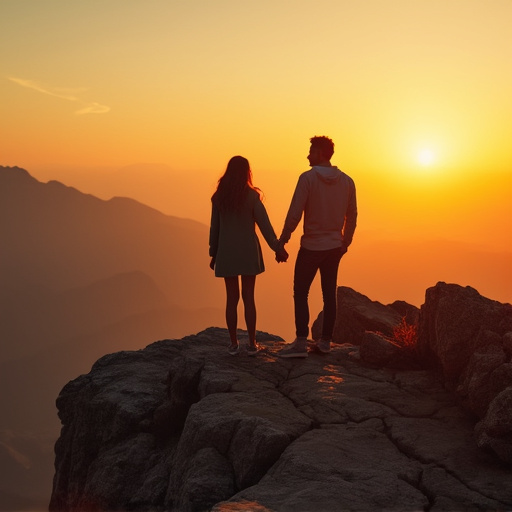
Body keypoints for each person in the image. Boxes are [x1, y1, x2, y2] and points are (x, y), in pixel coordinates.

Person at [276, 136, 357, 358]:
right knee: (329, 294)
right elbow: (352, 215)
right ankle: (325, 343)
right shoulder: (347, 181)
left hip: (312, 246)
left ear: (320, 153)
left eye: (311, 151)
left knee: (301, 292)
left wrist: (282, 240)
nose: (308, 155)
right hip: (334, 247)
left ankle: (301, 343)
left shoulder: (307, 179)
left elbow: (295, 213)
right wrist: (345, 242)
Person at [209, 155, 287, 356]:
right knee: (249, 298)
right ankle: (252, 344)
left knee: (231, 299)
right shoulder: (252, 197)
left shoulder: (218, 198)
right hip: (248, 252)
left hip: (226, 253)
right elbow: (265, 226)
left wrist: (213, 253)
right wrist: (277, 248)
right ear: (246, 172)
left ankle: (233, 344)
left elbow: (215, 229)